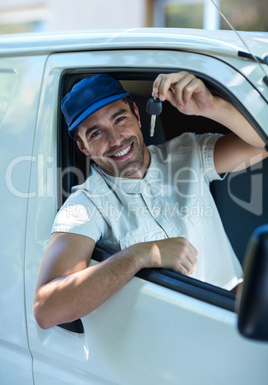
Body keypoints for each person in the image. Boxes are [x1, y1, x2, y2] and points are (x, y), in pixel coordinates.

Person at [33, 72, 267, 329]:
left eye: (120, 119)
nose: (116, 140)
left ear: (136, 113)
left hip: (237, 313)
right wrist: (140, 254)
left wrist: (213, 106)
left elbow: (262, 144)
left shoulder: (188, 153)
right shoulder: (86, 205)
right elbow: (46, 309)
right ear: (83, 147)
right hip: (172, 344)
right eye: (96, 133)